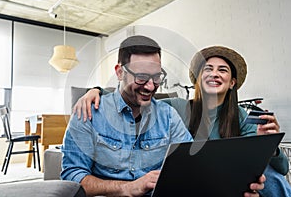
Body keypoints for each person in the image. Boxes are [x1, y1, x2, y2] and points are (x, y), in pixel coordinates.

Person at [73, 45, 289, 196]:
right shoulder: (176, 107)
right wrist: (96, 90)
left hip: (226, 177)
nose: (214, 74)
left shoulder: (243, 115)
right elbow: (138, 97)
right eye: (208, 69)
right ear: (198, 79)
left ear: (232, 82)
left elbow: (275, 167)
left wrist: (270, 146)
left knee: (272, 177)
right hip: (195, 176)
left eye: (222, 70)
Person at [61, 35, 194, 197]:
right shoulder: (88, 113)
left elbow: (190, 165)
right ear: (119, 72)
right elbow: (72, 178)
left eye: (157, 77)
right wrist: (128, 188)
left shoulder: (169, 115)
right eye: (141, 77)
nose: (151, 86)